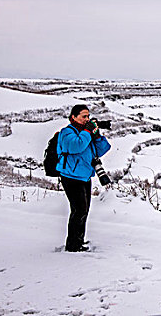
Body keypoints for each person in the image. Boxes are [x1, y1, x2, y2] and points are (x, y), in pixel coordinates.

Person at [56, 104, 111, 252]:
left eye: (88, 116)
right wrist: (88, 131)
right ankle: (73, 246)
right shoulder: (67, 133)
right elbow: (76, 146)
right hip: (71, 176)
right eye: (83, 117)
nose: (87, 119)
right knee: (78, 210)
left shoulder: (85, 133)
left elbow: (102, 149)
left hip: (85, 176)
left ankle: (78, 241)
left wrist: (97, 135)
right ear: (73, 117)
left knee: (84, 210)